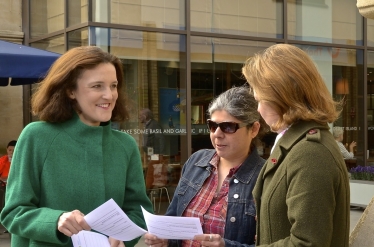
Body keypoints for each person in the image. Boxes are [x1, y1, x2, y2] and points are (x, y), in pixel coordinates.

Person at [0, 46, 153, 247]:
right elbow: (14, 213)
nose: (109, 95)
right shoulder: (36, 136)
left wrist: (123, 236)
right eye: (97, 86)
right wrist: (56, 220)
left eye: (113, 85)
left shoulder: (125, 145)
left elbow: (138, 211)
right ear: (70, 90)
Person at [242, 44, 350, 246]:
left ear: (281, 97)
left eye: (261, 100)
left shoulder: (310, 152)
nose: (259, 110)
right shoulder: (296, 142)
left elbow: (307, 242)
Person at [144, 86, 268, 247]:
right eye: (212, 125)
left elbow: (273, 243)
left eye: (228, 126)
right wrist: (163, 238)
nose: (217, 133)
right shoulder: (197, 161)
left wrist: (226, 245)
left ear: (254, 129)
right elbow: (173, 218)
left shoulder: (266, 177)